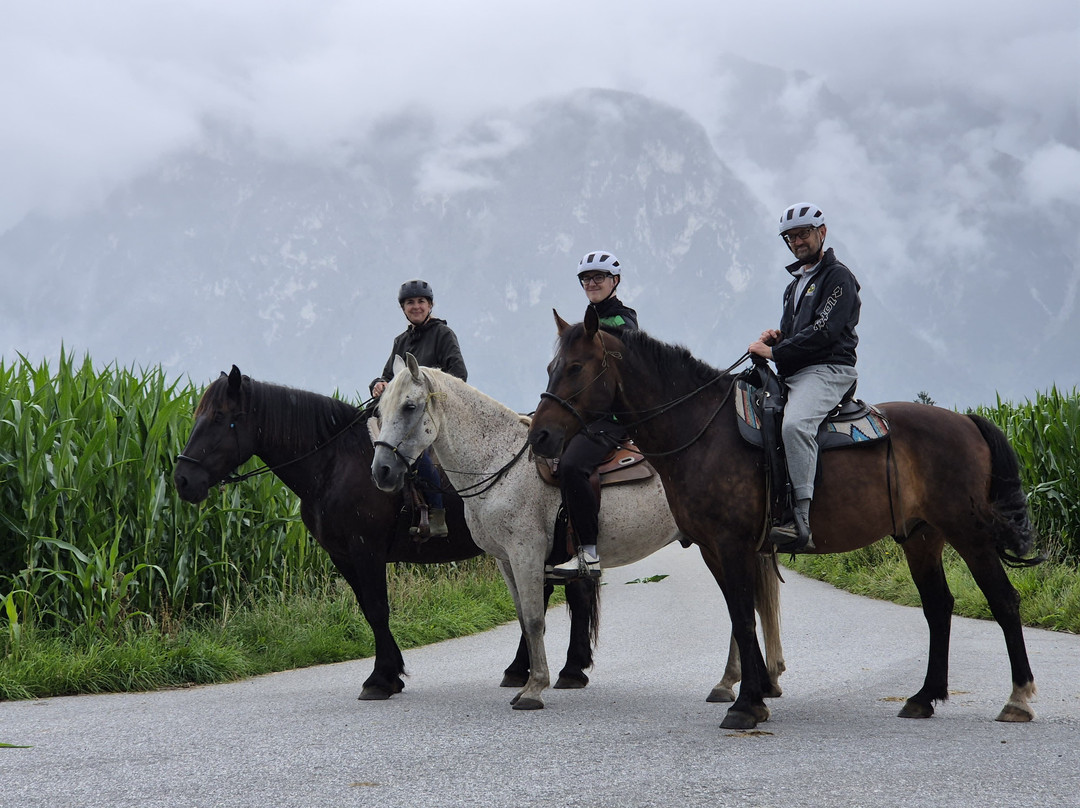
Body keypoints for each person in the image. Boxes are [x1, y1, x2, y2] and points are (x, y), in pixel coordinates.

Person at [748, 203, 861, 553]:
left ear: (821, 233)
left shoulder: (838, 277)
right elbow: (800, 332)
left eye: (803, 234)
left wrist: (775, 353)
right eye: (791, 237)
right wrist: (778, 337)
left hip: (829, 370)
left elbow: (825, 331)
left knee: (795, 425)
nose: (797, 241)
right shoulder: (794, 285)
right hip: (797, 372)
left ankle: (801, 519)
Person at [549, 250, 639, 579]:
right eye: (586, 279)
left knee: (573, 465)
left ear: (615, 281)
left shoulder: (620, 321)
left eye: (599, 277)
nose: (592, 283)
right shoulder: (590, 318)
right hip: (590, 416)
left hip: (614, 418)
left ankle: (588, 552)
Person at [370, 279, 467, 537]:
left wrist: (425, 386)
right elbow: (387, 376)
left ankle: (437, 514)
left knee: (414, 450)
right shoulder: (400, 341)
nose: (416, 306)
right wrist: (379, 386)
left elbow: (459, 374)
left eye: (421, 302)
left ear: (430, 305)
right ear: (403, 308)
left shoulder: (443, 335)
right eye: (410, 302)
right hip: (405, 412)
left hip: (432, 414)